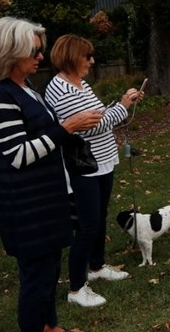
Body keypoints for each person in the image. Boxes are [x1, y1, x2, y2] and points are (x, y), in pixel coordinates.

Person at [0, 17, 102, 332]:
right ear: (9, 51)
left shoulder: (24, 87)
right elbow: (18, 155)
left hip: (47, 197)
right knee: (36, 274)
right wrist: (67, 128)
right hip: (23, 203)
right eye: (34, 50)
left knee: (50, 268)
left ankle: (48, 328)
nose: (41, 56)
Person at [45, 34, 143, 308]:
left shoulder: (81, 84)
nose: (92, 60)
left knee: (99, 218)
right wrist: (122, 106)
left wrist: (124, 102)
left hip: (103, 161)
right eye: (87, 56)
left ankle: (97, 266)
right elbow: (93, 126)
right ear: (71, 57)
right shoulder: (60, 89)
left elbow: (98, 116)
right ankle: (77, 288)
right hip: (84, 167)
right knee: (87, 226)